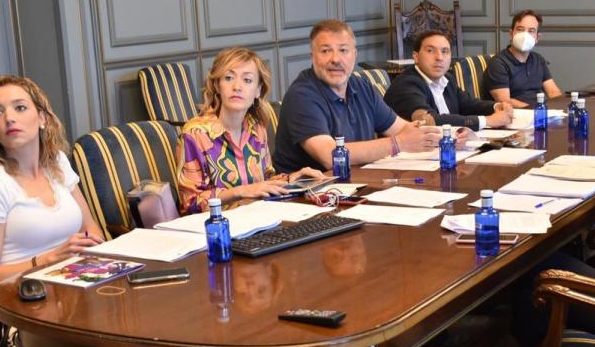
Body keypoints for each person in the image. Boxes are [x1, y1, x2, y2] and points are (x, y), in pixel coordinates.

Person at [0, 75, 198, 347]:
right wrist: (51, 258)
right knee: (134, 340)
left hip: (80, 286)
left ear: (42, 117)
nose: (9, 117)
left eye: (20, 107)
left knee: (167, 313)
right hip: (25, 308)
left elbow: (92, 230)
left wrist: (105, 258)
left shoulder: (57, 163)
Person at [273, 19, 448, 173]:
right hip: (305, 197)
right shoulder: (302, 95)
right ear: (312, 57)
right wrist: (398, 144)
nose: (335, 59)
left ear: (354, 56)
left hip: (356, 186)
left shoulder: (361, 85)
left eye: (343, 50)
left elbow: (402, 129)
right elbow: (330, 156)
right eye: (325, 51)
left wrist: (447, 136)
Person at [176, 46, 323, 214]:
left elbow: (265, 181)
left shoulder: (256, 128)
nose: (237, 86)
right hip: (217, 230)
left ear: (258, 90)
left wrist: (292, 178)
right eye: (229, 78)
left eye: (247, 80)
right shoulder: (195, 134)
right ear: (217, 85)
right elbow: (191, 203)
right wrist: (240, 191)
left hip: (258, 220)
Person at [384, 30, 513, 130]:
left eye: (445, 51)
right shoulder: (406, 85)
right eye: (430, 51)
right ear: (416, 57)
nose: (439, 57)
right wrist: (488, 121)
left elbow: (469, 105)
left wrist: (496, 106)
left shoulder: (447, 79)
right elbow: (430, 121)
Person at [484, 9, 563, 108]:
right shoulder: (498, 63)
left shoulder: (538, 59)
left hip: (540, 113)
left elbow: (553, 92)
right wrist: (537, 110)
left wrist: (561, 108)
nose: (525, 35)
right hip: (517, 116)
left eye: (531, 31)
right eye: (520, 29)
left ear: (537, 38)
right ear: (511, 34)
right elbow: (505, 101)